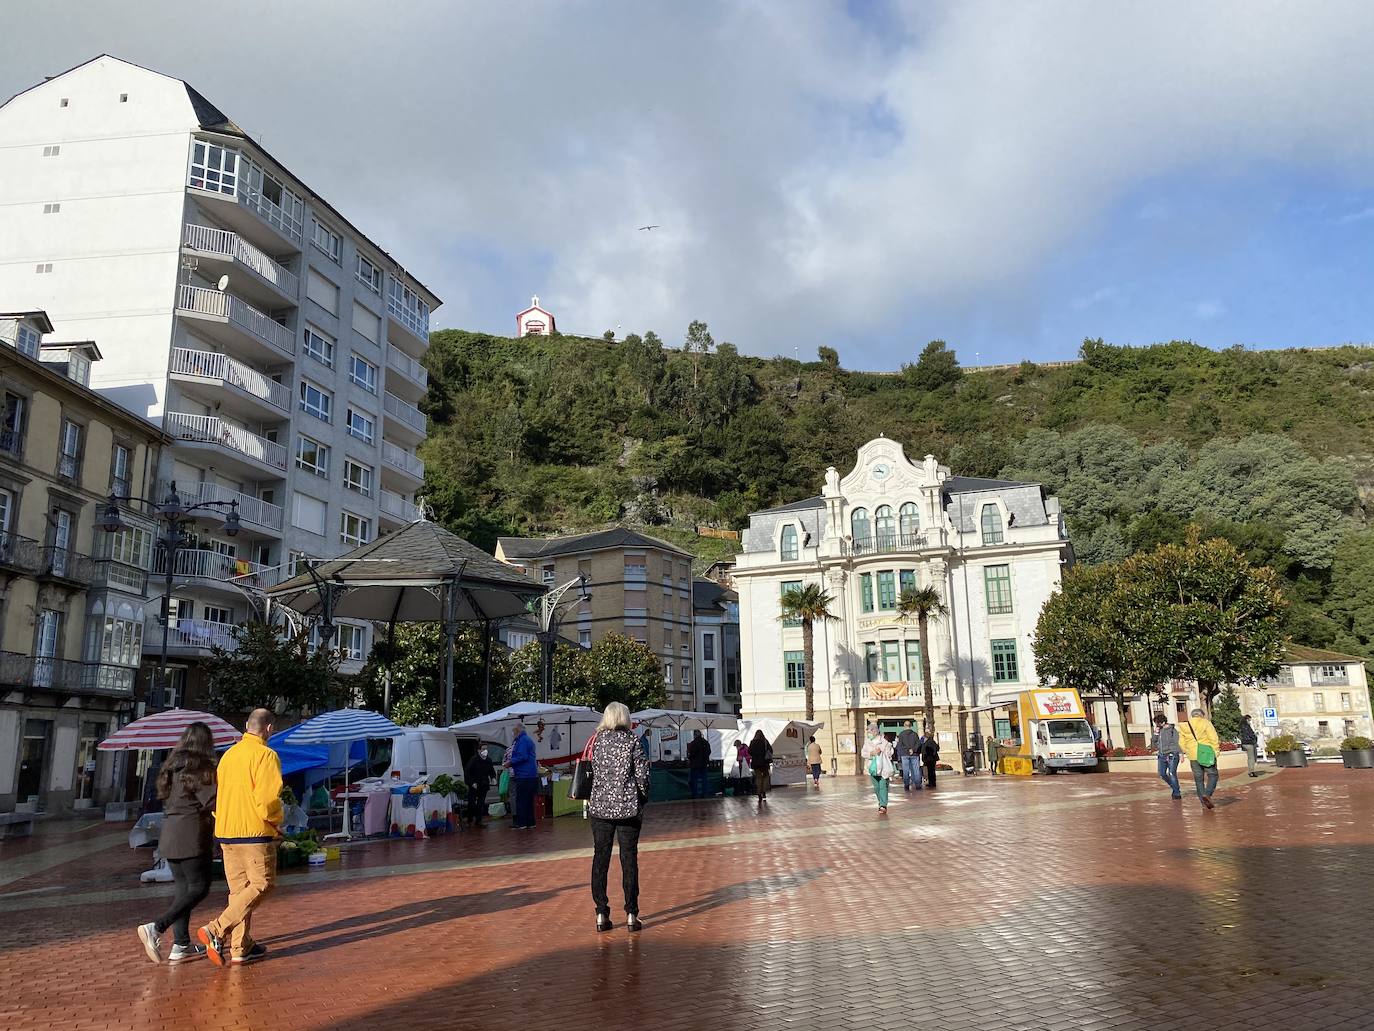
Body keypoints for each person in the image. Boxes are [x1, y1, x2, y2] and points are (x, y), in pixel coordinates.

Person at [198, 708, 282, 967]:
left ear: (246, 725)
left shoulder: (228, 755)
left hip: (226, 830)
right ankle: (216, 928)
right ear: (268, 729)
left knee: (239, 893)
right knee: (261, 884)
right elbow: (267, 799)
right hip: (253, 832)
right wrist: (276, 821)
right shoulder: (266, 755)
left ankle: (240, 946)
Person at [137, 722, 217, 964]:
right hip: (191, 833)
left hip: (170, 833)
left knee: (183, 889)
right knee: (200, 887)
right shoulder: (199, 767)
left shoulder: (171, 766)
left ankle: (181, 944)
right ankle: (157, 927)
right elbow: (212, 800)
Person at [587, 701, 651, 933]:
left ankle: (601, 913)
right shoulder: (633, 741)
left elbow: (592, 771)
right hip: (628, 808)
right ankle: (632, 913)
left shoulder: (598, 741)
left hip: (600, 809)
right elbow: (643, 774)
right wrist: (641, 797)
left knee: (600, 859)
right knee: (629, 859)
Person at [1178, 708, 1221, 810]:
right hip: (1206, 753)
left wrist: (1188, 750)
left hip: (1193, 756)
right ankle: (1207, 794)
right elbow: (1213, 738)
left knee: (1198, 779)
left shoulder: (1185, 725)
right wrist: (1216, 751)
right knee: (1213, 775)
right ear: (1201, 715)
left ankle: (1203, 803)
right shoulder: (1206, 723)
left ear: (1192, 715)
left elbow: (1181, 742)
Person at [505, 721, 539, 829]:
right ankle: (531, 822)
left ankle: (522, 823)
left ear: (517, 730)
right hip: (531, 775)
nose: (512, 733)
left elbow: (522, 756)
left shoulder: (522, 741)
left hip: (523, 775)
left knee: (521, 800)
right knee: (529, 800)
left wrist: (510, 762)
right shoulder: (528, 740)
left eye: (513, 730)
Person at [861, 723, 894, 813]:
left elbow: (890, 754)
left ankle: (883, 805)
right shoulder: (867, 742)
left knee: (883, 786)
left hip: (883, 768)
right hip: (872, 768)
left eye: (869, 731)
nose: (868, 734)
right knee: (876, 787)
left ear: (875, 731)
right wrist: (871, 753)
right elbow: (863, 753)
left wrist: (881, 751)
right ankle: (880, 802)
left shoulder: (884, 742)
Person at [1150, 713, 1183, 799]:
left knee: (1172, 773)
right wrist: (1155, 733)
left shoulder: (1172, 730)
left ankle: (1177, 794)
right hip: (1161, 755)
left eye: (1158, 723)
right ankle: (1175, 788)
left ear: (1163, 722)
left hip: (1172, 754)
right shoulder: (1159, 730)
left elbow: (1177, 742)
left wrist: (1181, 753)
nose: (1157, 725)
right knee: (1162, 774)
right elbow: (1153, 742)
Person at [464, 745, 496, 827]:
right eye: (483, 749)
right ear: (479, 750)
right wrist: (471, 783)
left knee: (481, 804)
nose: (485, 750)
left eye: (486, 749)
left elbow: (491, 771)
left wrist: (493, 778)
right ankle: (469, 820)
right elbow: (467, 772)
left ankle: (479, 821)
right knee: (471, 803)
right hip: (474, 785)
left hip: (484, 784)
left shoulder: (488, 760)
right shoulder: (474, 760)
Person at [895, 720, 921, 792]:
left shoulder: (901, 734)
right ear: (910, 726)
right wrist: (913, 750)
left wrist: (907, 750)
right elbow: (918, 743)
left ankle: (906, 785)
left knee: (905, 771)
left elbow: (900, 745)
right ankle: (918, 785)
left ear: (904, 726)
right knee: (916, 770)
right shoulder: (915, 734)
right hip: (914, 754)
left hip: (905, 755)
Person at [748, 730, 772, 805]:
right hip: (764, 762)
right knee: (765, 776)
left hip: (755, 763)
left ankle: (759, 793)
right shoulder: (765, 741)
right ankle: (764, 791)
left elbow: (749, 751)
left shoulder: (752, 742)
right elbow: (770, 750)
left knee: (758, 778)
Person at [686, 729, 711, 799]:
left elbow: (691, 754)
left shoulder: (693, 743)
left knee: (694, 780)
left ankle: (695, 794)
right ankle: (705, 794)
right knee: (704, 780)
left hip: (695, 765)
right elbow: (709, 751)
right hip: (704, 764)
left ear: (694, 735)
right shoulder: (705, 742)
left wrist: (690, 758)